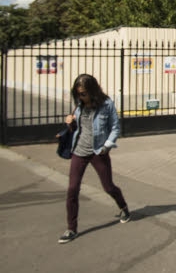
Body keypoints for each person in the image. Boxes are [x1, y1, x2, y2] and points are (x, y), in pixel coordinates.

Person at [58, 74, 130, 244]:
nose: (81, 97)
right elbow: (77, 127)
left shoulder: (106, 105)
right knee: (72, 189)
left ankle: (124, 208)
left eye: (83, 93)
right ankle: (71, 228)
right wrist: (70, 122)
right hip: (79, 151)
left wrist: (107, 145)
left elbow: (115, 127)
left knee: (108, 187)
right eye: (78, 94)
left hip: (99, 152)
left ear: (92, 91)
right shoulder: (79, 106)